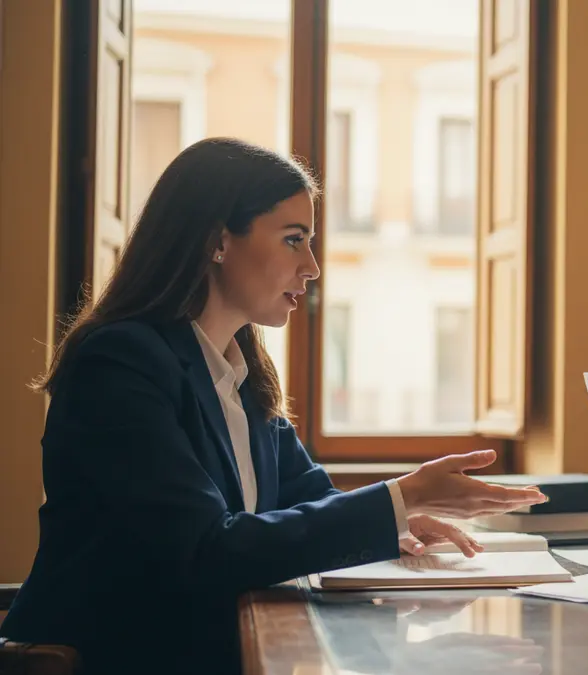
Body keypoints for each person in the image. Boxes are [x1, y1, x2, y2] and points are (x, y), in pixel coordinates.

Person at [0, 137, 547, 674]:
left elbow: (306, 500)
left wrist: (400, 524)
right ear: (217, 240)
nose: (312, 267)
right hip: (118, 659)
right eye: (294, 239)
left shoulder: (243, 371)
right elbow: (204, 551)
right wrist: (400, 497)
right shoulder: (120, 364)